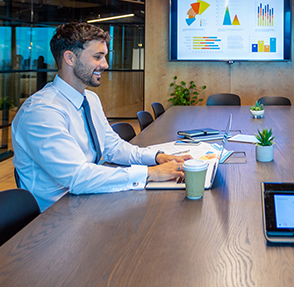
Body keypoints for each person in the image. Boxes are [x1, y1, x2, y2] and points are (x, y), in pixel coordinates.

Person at [12, 22, 189, 211]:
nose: (105, 65)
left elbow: (112, 147)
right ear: (70, 58)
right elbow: (78, 177)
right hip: (58, 215)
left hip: (90, 198)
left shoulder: (90, 99)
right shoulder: (41, 112)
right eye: (98, 57)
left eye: (105, 57)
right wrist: (150, 173)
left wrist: (157, 157)